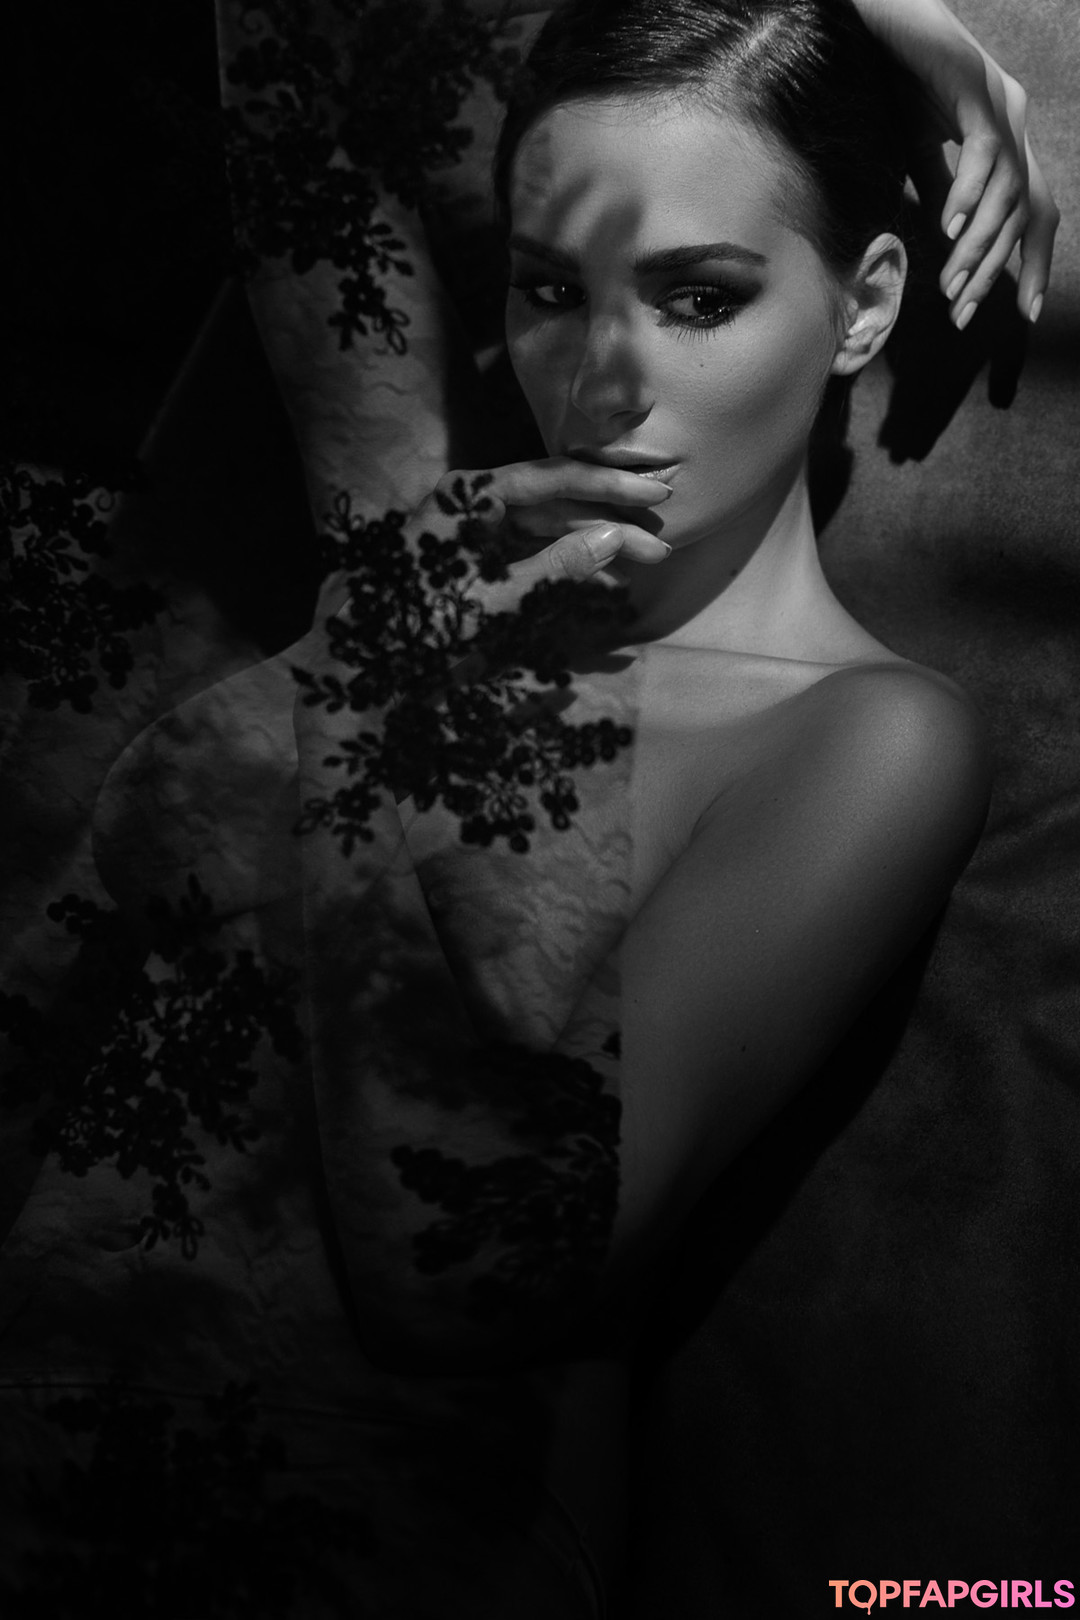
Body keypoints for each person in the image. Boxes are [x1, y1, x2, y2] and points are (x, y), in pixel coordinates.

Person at [0, 2, 1057, 1617]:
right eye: (552, 292)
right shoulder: (413, 579)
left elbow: (473, 1277)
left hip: (355, 1536)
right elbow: (288, 59)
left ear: (862, 307)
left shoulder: (859, 736)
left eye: (700, 299)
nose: (607, 380)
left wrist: (371, 693)